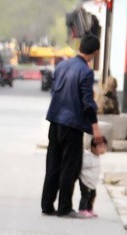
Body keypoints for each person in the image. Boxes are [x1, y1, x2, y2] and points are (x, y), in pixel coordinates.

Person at [41, 34, 102, 218]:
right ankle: (64, 207)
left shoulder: (62, 65)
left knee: (53, 163)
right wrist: (95, 127)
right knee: (69, 166)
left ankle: (47, 205)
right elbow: (88, 101)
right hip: (73, 124)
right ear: (95, 52)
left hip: (55, 120)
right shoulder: (86, 71)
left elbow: (54, 90)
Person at [78, 137, 108, 218]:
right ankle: (82, 209)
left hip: (92, 181)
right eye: (100, 147)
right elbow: (82, 166)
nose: (103, 149)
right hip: (85, 180)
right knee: (85, 195)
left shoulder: (97, 156)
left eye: (105, 147)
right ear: (93, 147)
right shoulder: (88, 156)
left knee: (93, 195)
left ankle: (89, 209)